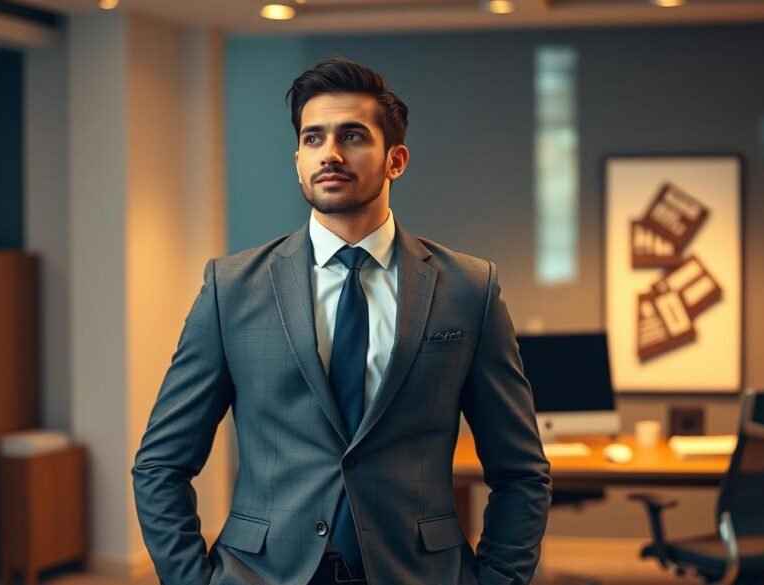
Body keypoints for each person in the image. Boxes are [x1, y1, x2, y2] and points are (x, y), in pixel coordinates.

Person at [132, 57, 551, 585]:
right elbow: (160, 465)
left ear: (395, 159)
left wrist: (499, 580)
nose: (329, 154)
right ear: (298, 158)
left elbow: (520, 472)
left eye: (352, 136)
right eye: (313, 139)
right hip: (261, 572)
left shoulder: (468, 288)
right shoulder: (231, 288)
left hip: (420, 572)